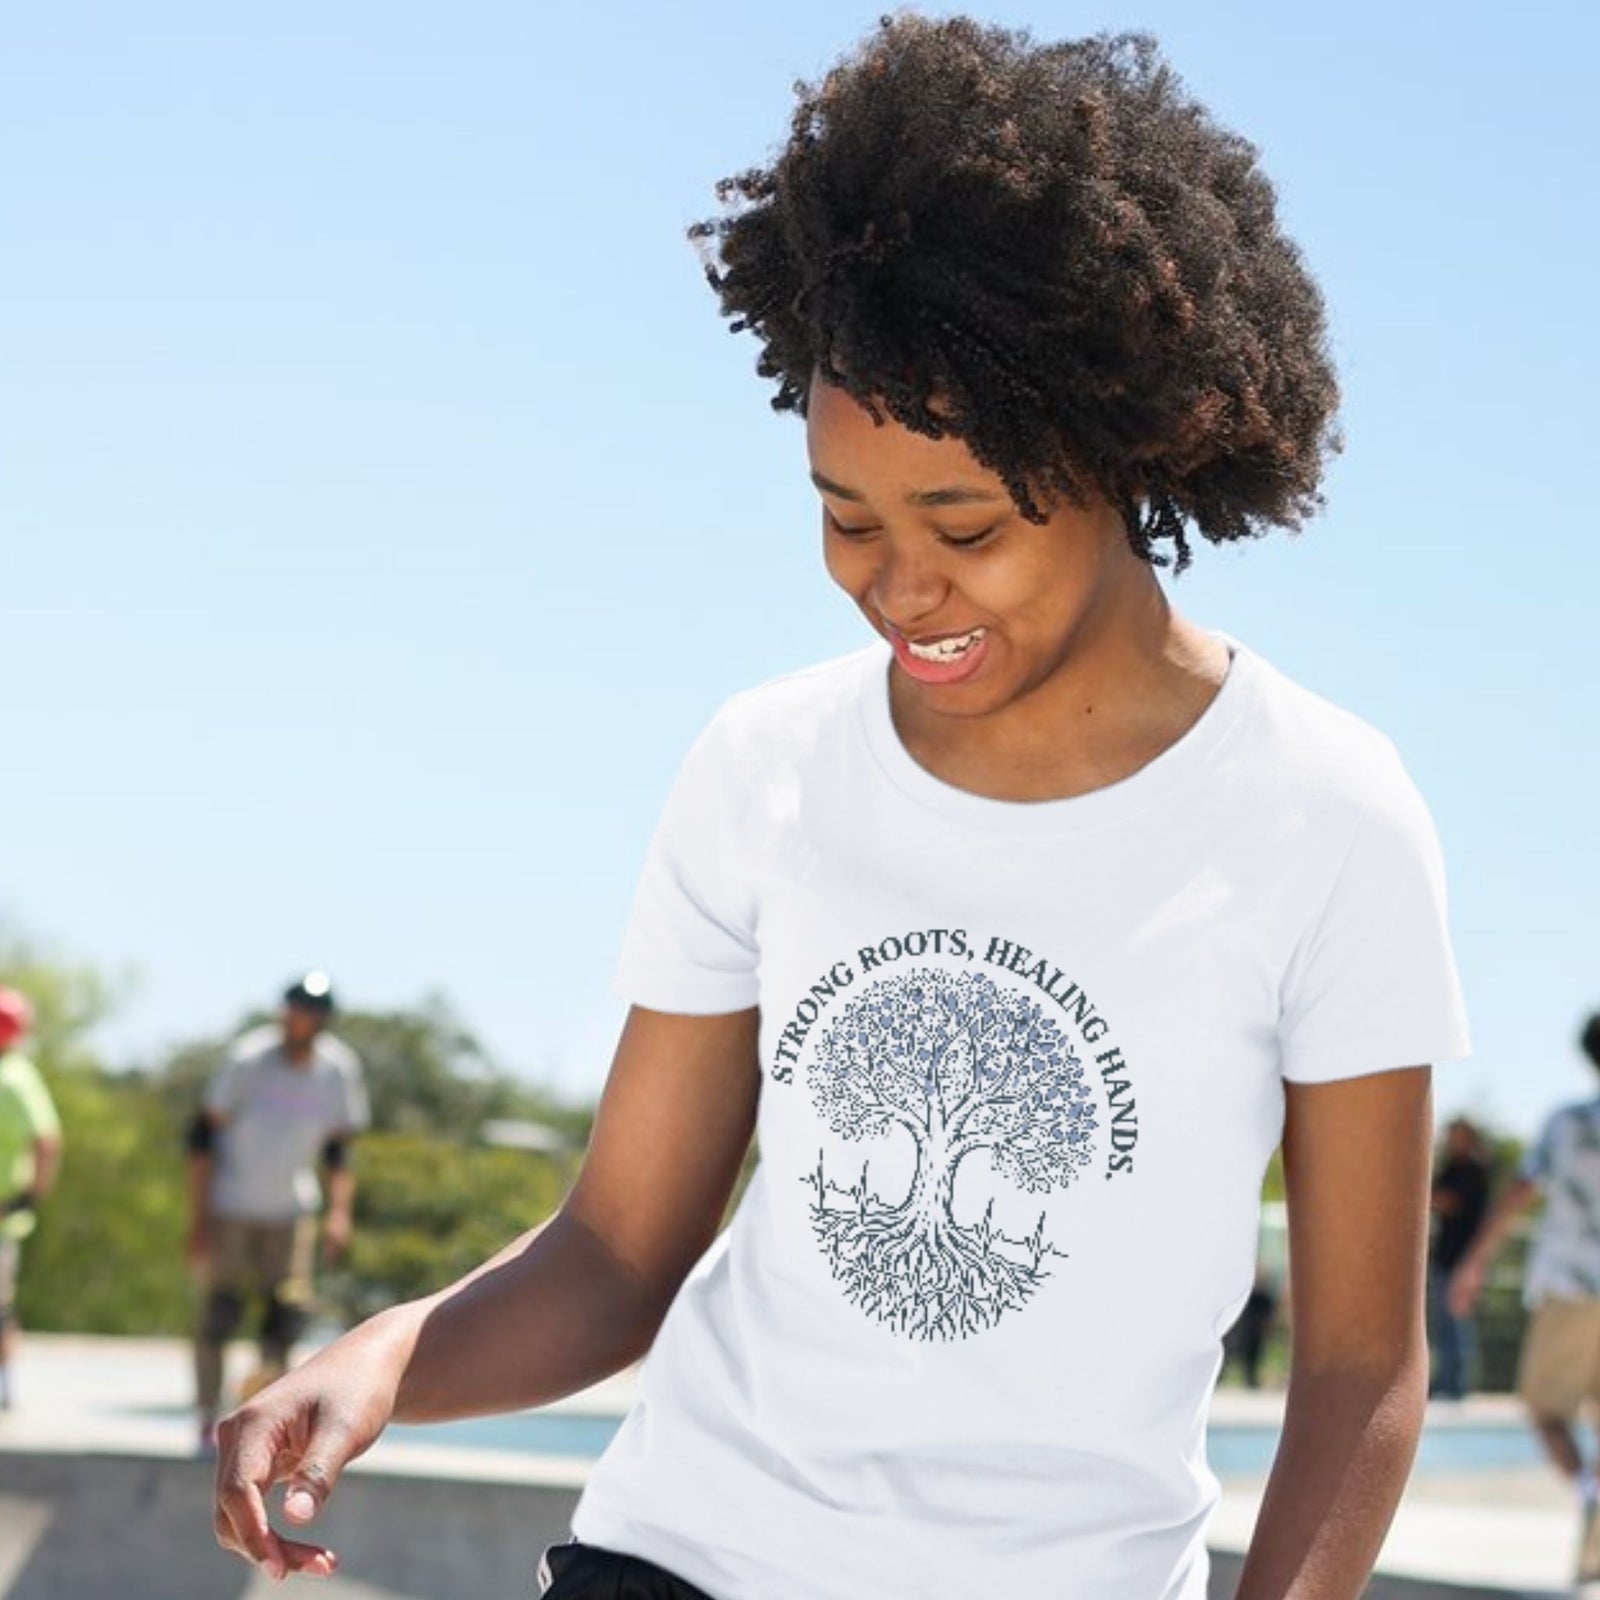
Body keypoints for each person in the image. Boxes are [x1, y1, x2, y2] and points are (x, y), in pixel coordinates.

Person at [210, 19, 1471, 1599]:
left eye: (964, 520)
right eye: (844, 514)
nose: (898, 582)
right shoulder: (763, 766)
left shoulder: (1325, 817)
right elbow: (615, 1253)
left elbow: (1360, 1368)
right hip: (677, 1560)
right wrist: (388, 1357)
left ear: (1126, 453)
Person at [188, 972, 368, 1455]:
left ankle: (266, 1421)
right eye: (295, 1011)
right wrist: (199, 1216)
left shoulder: (335, 1069)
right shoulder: (248, 1059)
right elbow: (201, 1137)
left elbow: (338, 1149)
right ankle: (207, 1416)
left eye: (311, 1014)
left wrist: (338, 1214)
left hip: (292, 1209)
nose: (301, 1021)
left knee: (284, 1317)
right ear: (284, 1013)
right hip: (232, 1204)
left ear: (323, 1020)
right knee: (220, 1314)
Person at [1450, 1015, 1600, 1583]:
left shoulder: (1568, 1123)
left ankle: (1587, 1491)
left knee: (1545, 1410)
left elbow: (1522, 1189)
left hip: (1572, 1287)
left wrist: (1473, 1262)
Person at [0, 988, 62, 1413]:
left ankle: (5, 1384)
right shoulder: (20, 1075)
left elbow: (46, 1143)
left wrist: (29, 1195)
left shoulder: (15, 1079)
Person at [1426, 1115, 1490, 1400]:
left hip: (1464, 1259)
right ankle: (1445, 1382)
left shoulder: (1474, 1169)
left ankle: (1457, 1385)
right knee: (1444, 1324)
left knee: (1458, 1323)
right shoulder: (1451, 1166)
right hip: (1445, 1256)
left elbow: (1445, 1201)